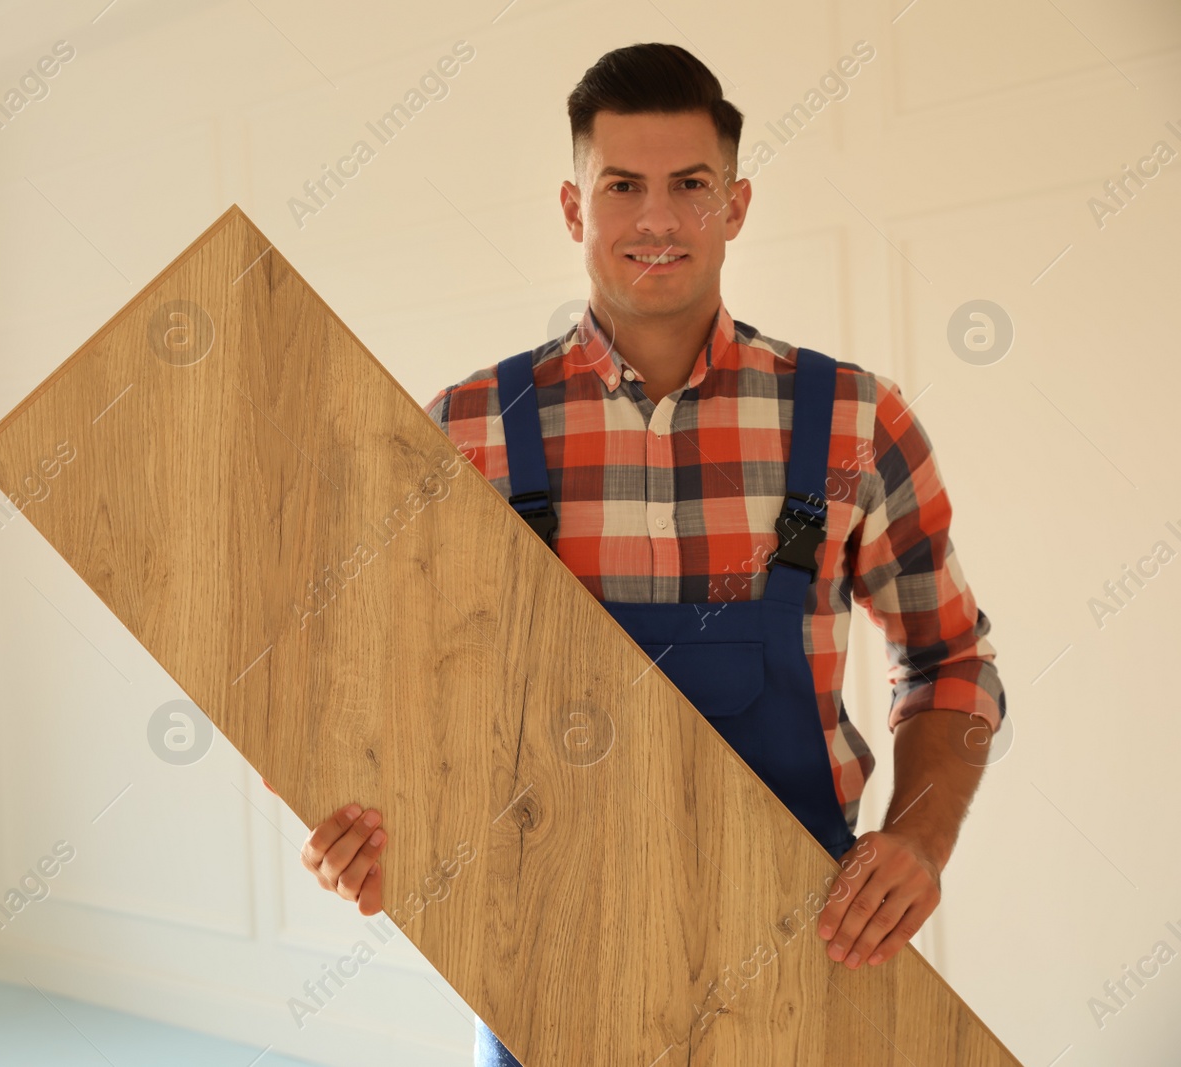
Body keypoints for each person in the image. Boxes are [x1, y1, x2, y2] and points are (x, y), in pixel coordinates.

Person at [270, 41, 1006, 1066]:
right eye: (621, 186)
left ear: (734, 205)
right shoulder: (468, 431)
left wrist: (918, 839)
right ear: (574, 209)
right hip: (541, 954)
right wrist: (376, 828)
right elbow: (387, 685)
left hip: (799, 951)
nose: (656, 220)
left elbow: (953, 662)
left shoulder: (849, 420)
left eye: (689, 186)